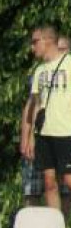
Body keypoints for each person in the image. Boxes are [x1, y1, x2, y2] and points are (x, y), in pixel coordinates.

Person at [20, 33, 70, 209]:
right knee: (49, 183)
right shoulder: (40, 70)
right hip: (44, 133)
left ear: (48, 40)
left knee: (68, 180)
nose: (32, 47)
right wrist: (32, 136)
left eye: (35, 42)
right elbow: (36, 105)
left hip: (66, 132)